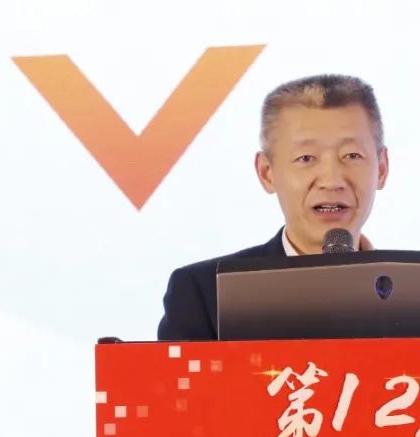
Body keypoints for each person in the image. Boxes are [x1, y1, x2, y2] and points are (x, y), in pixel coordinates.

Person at [156, 74, 390, 341]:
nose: (332, 181)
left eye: (352, 155)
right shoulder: (205, 294)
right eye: (306, 158)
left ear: (382, 169)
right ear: (266, 172)